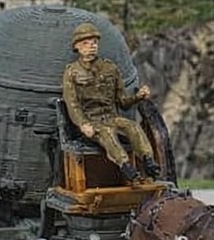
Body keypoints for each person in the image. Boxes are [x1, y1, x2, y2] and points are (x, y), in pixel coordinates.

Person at [61, 22, 160, 182]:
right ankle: (126, 166)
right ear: (77, 47)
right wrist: (83, 124)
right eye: (86, 43)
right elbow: (72, 104)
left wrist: (138, 96)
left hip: (111, 117)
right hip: (92, 122)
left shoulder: (110, 68)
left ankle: (148, 160)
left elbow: (122, 101)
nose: (91, 46)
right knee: (107, 133)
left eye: (94, 42)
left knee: (132, 126)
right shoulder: (72, 72)